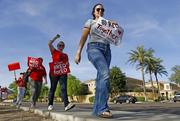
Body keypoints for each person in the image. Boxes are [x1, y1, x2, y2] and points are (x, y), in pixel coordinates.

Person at [75, 3, 113, 118]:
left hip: (107, 50)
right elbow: (83, 37)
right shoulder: (90, 22)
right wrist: (78, 52)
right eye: (98, 9)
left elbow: (115, 36)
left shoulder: (107, 24)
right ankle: (103, 108)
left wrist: (113, 26)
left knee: (101, 77)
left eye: (102, 9)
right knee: (105, 74)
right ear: (94, 12)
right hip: (94, 48)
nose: (100, 11)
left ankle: (96, 111)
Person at [47, 34, 75, 111]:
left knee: (63, 88)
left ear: (63, 47)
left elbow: (67, 64)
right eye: (59, 45)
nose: (61, 46)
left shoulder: (65, 55)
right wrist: (55, 37)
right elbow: (49, 43)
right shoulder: (54, 51)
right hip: (54, 72)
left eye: (62, 45)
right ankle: (50, 104)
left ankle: (66, 105)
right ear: (57, 46)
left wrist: (68, 72)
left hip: (63, 72)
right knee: (53, 88)